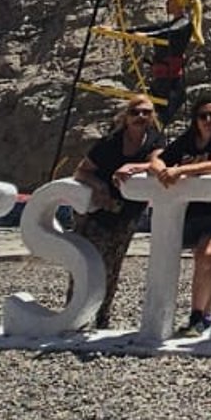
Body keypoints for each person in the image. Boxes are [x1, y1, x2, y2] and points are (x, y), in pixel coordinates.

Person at [154, 92, 211, 337]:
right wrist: (162, 169)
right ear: (195, 120)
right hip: (195, 209)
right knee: (200, 257)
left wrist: (181, 171)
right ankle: (204, 314)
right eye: (202, 116)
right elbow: (158, 159)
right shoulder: (187, 140)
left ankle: (198, 316)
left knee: (207, 254)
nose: (208, 120)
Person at [74, 92, 164, 328]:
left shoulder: (154, 140)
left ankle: (102, 317)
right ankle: (74, 315)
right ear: (126, 117)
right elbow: (82, 171)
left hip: (127, 213)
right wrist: (100, 186)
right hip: (97, 211)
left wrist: (134, 166)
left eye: (146, 112)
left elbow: (157, 164)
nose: (141, 116)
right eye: (136, 112)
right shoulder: (109, 143)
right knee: (84, 262)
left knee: (113, 265)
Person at [138, 0, 203, 124]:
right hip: (162, 80)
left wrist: (146, 36)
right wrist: (120, 30)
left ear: (179, 2)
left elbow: (168, 32)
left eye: (170, 0)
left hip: (171, 83)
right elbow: (152, 29)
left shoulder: (184, 24)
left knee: (158, 121)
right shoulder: (173, 23)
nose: (166, 3)